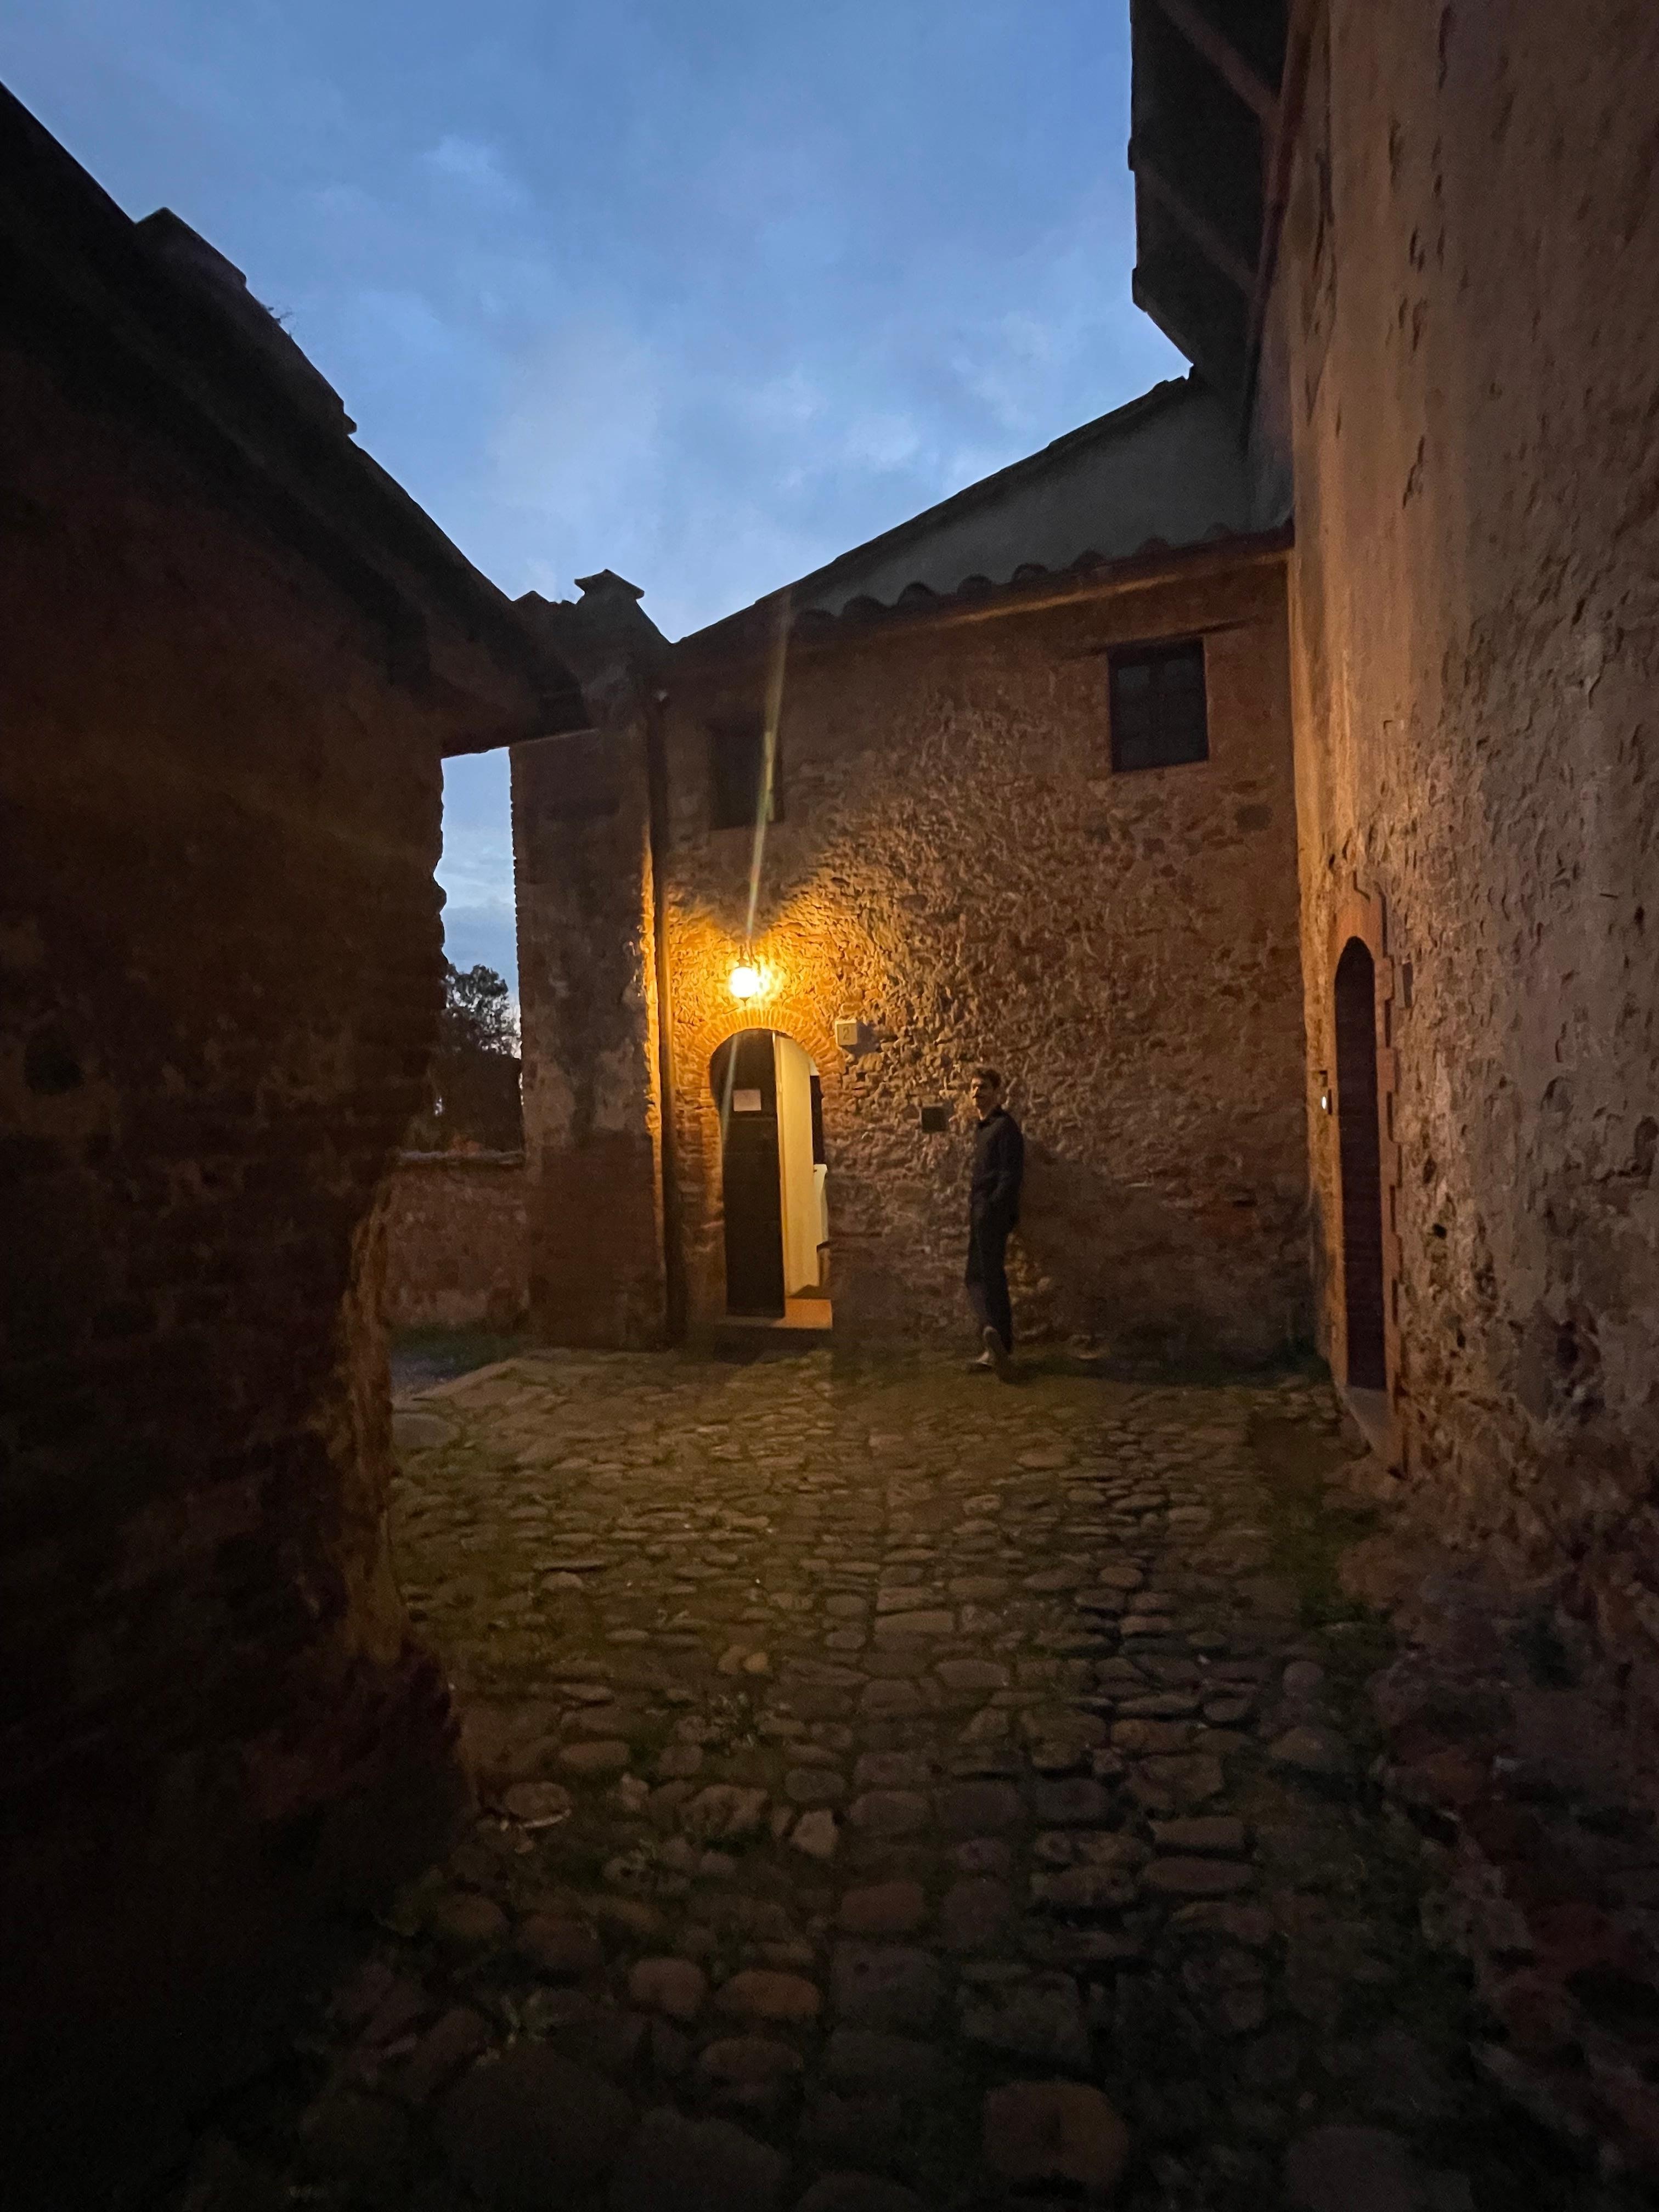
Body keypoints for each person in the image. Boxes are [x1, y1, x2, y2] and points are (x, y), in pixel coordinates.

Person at [966, 1068, 1024, 1378]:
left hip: (991, 1214)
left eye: (984, 1088)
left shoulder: (1004, 1128)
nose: (977, 1093)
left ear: (996, 1092)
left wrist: (993, 1210)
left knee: (987, 1278)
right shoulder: (983, 1128)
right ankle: (994, 1340)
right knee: (979, 1277)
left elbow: (1009, 1175)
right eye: (974, 1088)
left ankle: (997, 1341)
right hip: (980, 1211)